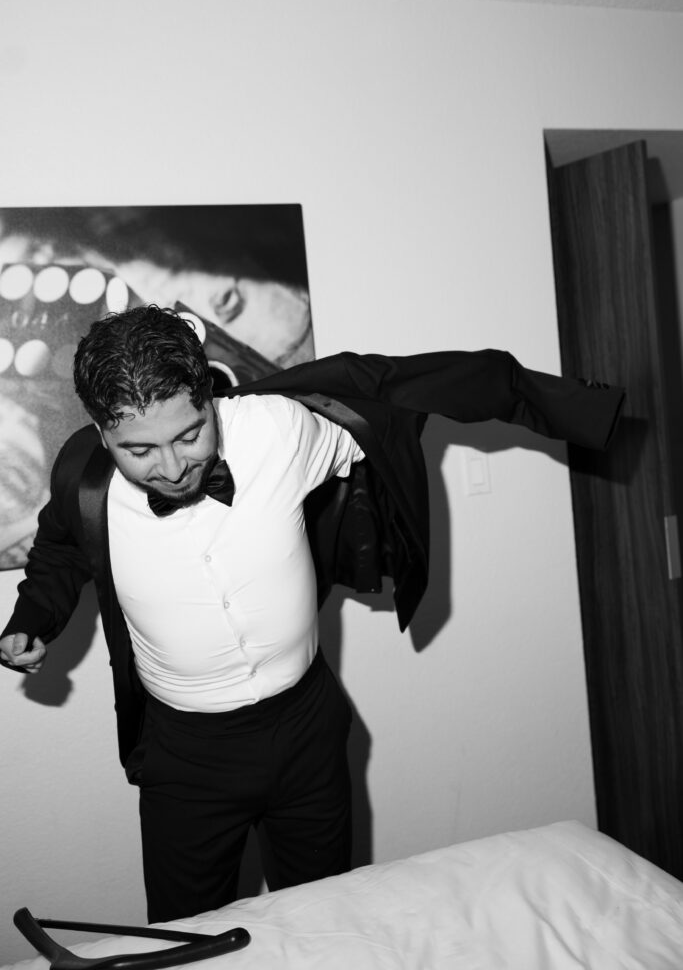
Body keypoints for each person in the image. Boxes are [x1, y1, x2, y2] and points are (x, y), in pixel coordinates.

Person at [0, 305, 626, 924]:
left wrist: (567, 406)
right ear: (101, 432)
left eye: (189, 435)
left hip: (308, 733)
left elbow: (395, 396)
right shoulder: (84, 481)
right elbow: (58, 549)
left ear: (210, 398)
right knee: (188, 941)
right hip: (186, 759)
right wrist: (33, 618)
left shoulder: (281, 429)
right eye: (139, 450)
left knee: (329, 922)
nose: (170, 467)